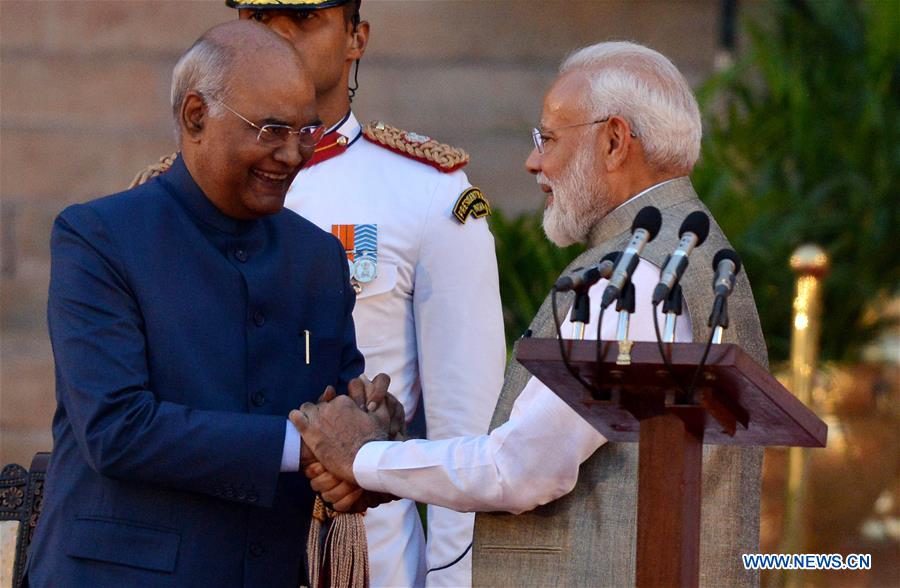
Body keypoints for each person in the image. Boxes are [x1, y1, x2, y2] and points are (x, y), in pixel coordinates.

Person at [295, 41, 768, 587]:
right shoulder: (697, 250)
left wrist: (364, 458)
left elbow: (520, 469)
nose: (533, 161)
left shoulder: (633, 275)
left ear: (614, 141)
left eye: (547, 138)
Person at [26, 20, 365, 587]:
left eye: (307, 131)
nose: (292, 154)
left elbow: (341, 399)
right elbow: (116, 429)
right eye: (272, 129)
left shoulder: (317, 256)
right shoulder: (100, 237)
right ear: (195, 117)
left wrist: (371, 436)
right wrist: (306, 447)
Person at [225, 2, 507, 587]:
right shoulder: (176, 193)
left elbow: (467, 430)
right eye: (257, 19)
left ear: (356, 38)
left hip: (362, 559)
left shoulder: (427, 191)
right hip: (213, 551)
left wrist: (454, 576)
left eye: (303, 22)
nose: (276, 37)